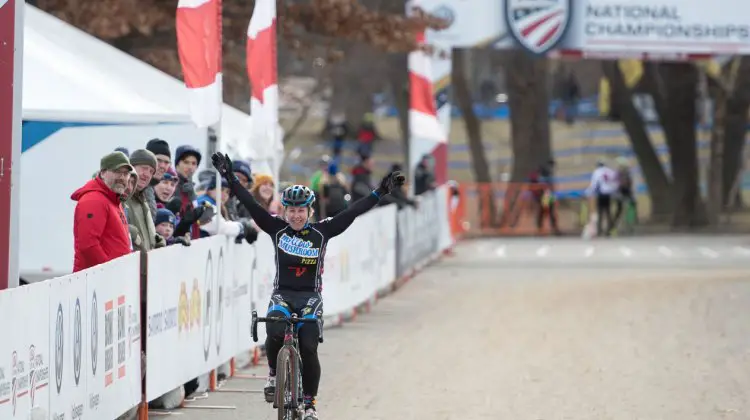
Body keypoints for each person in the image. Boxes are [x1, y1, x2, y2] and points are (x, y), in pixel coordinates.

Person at [211, 152, 404, 420]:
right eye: (291, 210)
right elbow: (250, 203)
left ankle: (310, 403)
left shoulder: (322, 231)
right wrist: (229, 177)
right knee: (275, 328)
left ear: (309, 211)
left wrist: (379, 193)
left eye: (301, 210)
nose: (296, 215)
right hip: (283, 294)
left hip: (310, 297)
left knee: (309, 346)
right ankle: (273, 374)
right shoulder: (276, 228)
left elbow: (352, 212)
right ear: (284, 210)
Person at [71, 151, 134, 272]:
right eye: (117, 172)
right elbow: (88, 245)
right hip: (97, 282)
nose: (122, 178)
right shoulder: (94, 200)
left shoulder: (113, 200)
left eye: (126, 174)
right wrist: (108, 272)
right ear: (103, 173)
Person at [585, 159, 619, 237]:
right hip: (609, 193)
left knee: (600, 211)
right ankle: (609, 230)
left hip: (601, 193)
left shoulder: (597, 172)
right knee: (608, 211)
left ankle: (600, 230)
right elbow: (615, 181)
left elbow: (595, 183)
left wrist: (589, 192)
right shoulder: (610, 171)